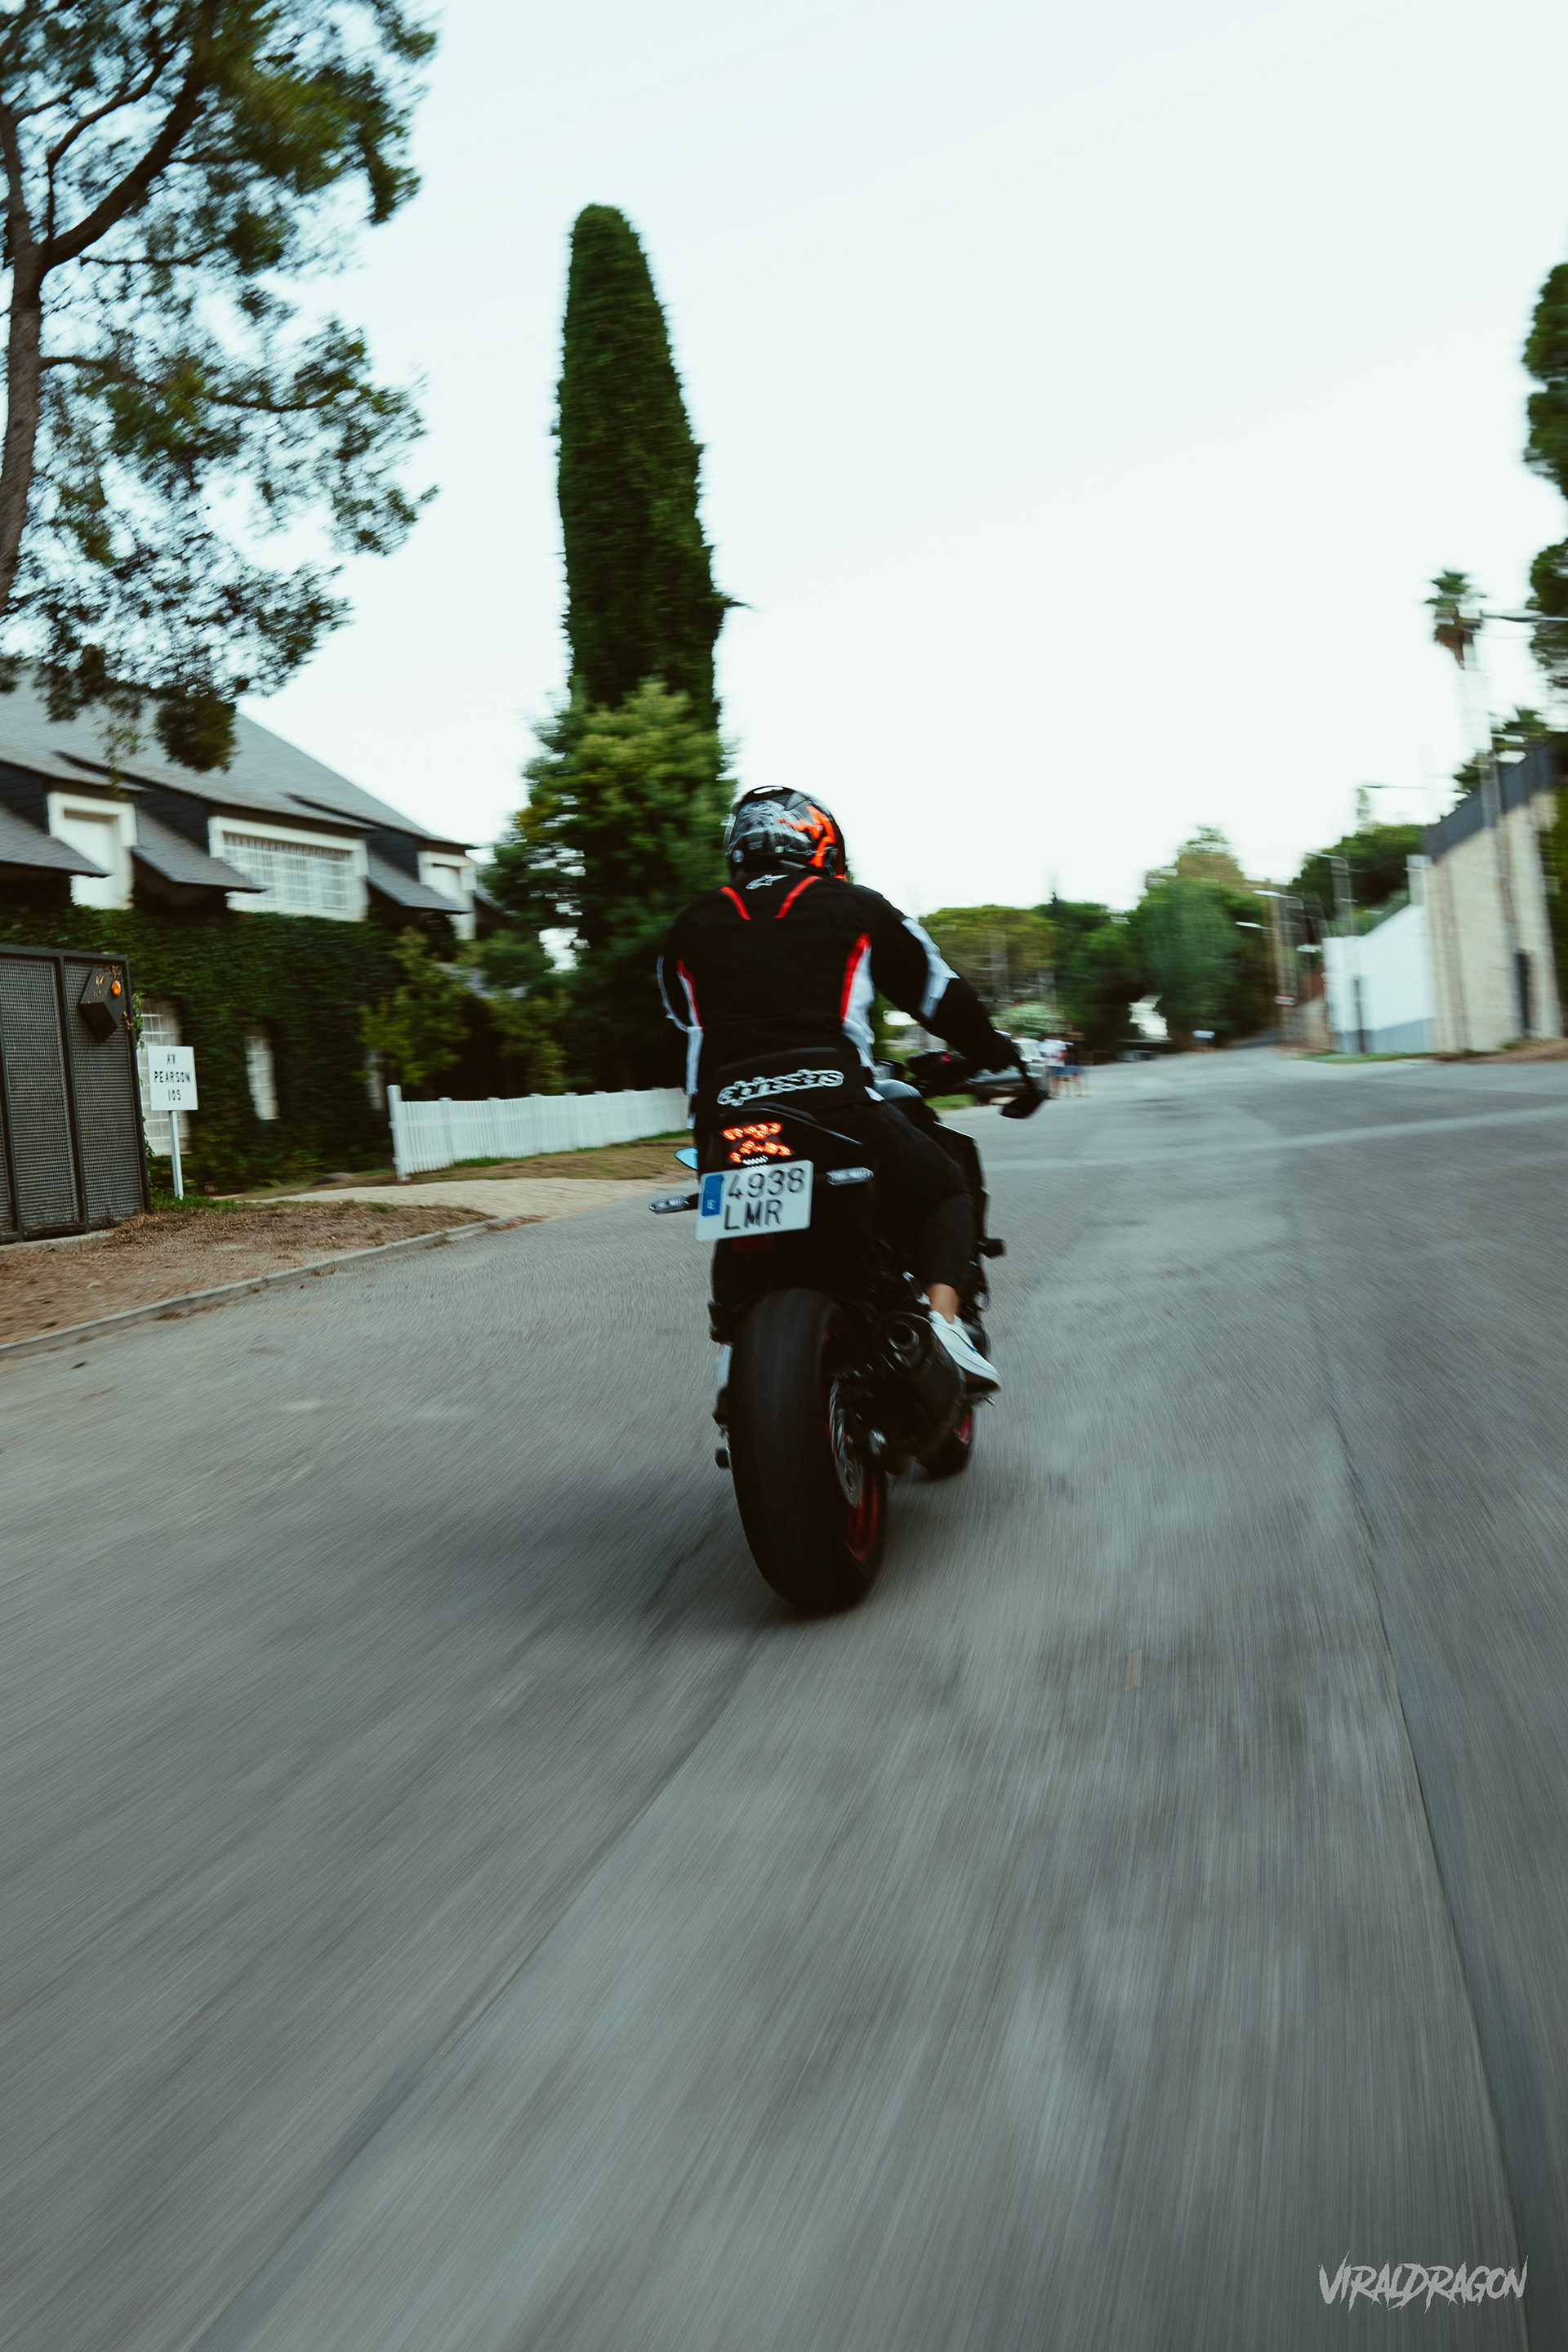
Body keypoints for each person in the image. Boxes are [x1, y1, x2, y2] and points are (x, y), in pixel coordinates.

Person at [657, 787, 1040, 1393]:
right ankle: (945, 1330)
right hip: (834, 1105)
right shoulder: (856, 907)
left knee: (738, 1216)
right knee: (945, 1187)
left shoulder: (687, 927)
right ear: (823, 848)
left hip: (724, 1120)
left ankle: (734, 1357)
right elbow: (940, 996)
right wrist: (1000, 1055)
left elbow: (681, 1022)